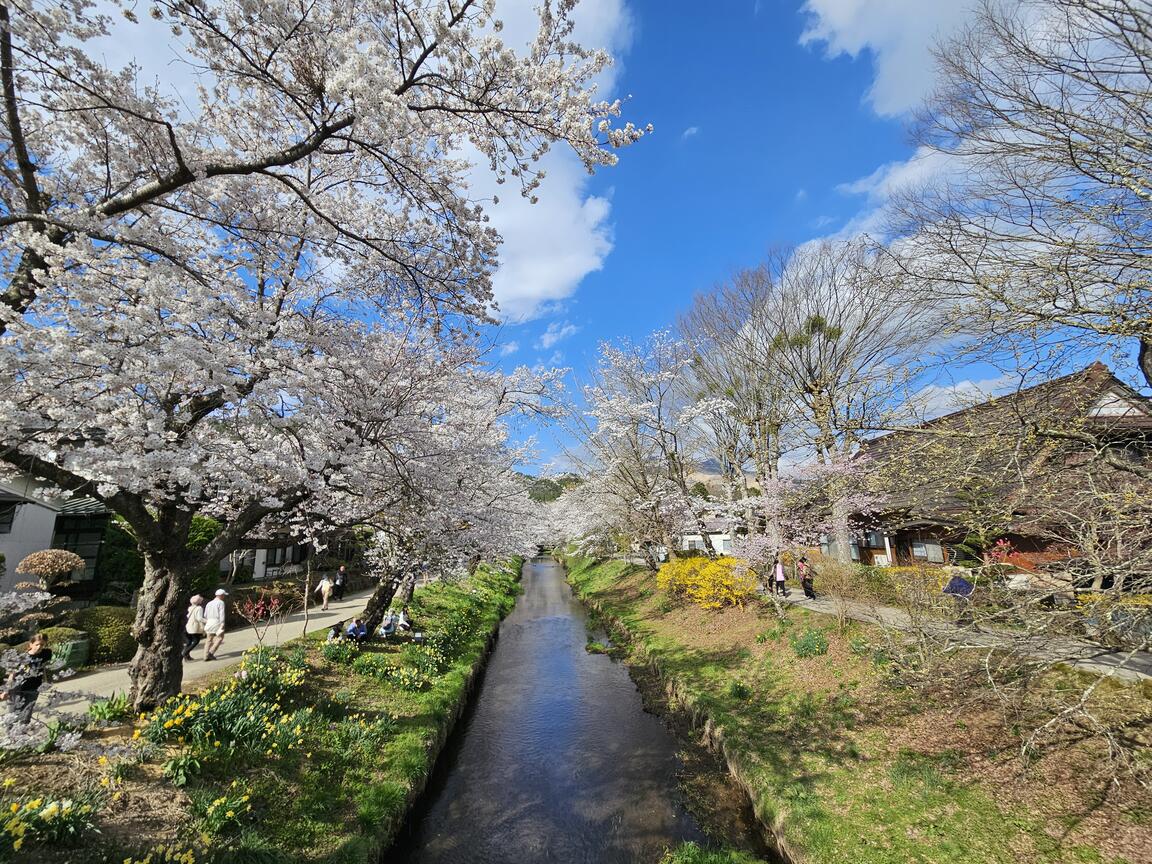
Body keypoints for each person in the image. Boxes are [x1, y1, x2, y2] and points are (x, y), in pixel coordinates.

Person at [1, 634, 52, 725]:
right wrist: (6, 691)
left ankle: (22, 736)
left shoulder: (45, 654)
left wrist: (45, 681)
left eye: (42, 645)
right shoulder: (21, 657)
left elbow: (44, 668)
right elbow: (12, 674)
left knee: (26, 716)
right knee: (13, 715)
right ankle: (11, 736)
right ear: (31, 644)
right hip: (17, 689)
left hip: (33, 689)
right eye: (37, 644)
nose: (39, 647)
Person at [203, 588, 228, 660]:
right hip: (217, 621)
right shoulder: (221, 603)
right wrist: (222, 623)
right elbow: (221, 614)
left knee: (209, 639)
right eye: (223, 595)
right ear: (221, 595)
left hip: (209, 621)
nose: (224, 597)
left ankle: (205, 655)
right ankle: (211, 652)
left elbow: (205, 615)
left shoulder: (209, 603)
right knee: (220, 638)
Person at [183, 594, 207, 659]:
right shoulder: (199, 608)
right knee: (196, 641)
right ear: (199, 601)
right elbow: (199, 618)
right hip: (194, 627)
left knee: (189, 641)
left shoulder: (189, 608)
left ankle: (187, 656)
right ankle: (184, 653)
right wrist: (207, 621)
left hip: (187, 626)